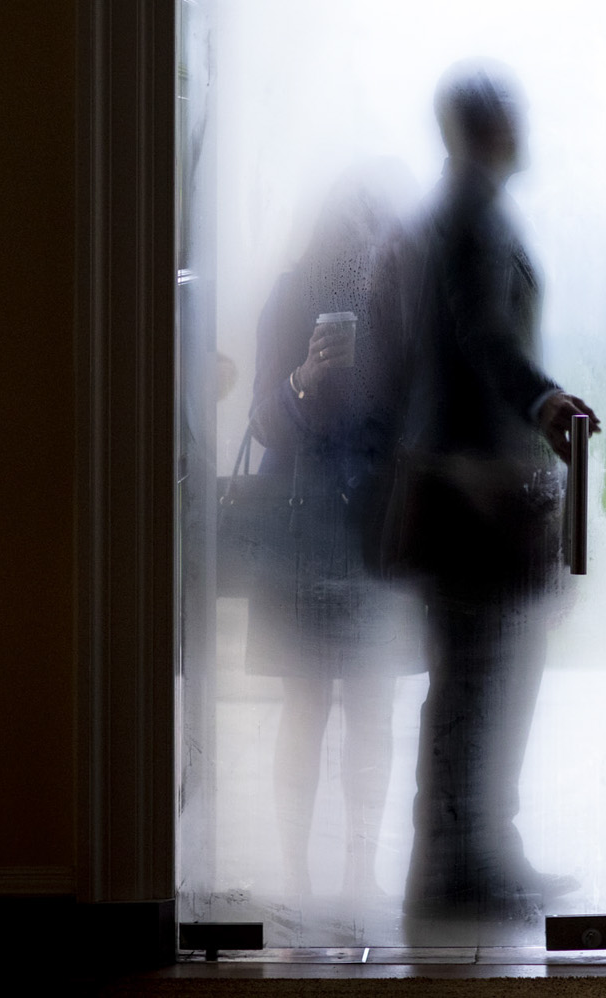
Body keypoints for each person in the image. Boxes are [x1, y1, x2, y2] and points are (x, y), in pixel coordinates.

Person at [368, 59, 600, 924]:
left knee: (474, 683)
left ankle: (470, 862)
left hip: (459, 478)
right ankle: (459, 871)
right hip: (470, 487)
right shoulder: (469, 214)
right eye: (511, 113)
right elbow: (481, 334)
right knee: (478, 683)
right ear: (486, 128)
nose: (525, 125)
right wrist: (542, 403)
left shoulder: (459, 209)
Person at [242, 166, 423, 900]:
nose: (364, 240)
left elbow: (415, 420)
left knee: (373, 705)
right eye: (352, 225)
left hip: (375, 530)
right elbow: (259, 422)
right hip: (300, 530)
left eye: (373, 226)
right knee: (307, 705)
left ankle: (360, 872)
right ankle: (295, 875)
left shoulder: (398, 305)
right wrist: (303, 379)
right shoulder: (290, 295)